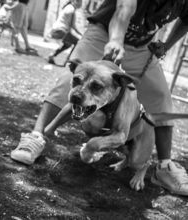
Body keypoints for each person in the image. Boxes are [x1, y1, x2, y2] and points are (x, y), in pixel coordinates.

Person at [11, 0, 188, 196]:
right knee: (71, 82)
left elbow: (186, 19)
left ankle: (164, 167)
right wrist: (116, 39)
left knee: (161, 96)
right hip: (105, 33)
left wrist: (166, 45)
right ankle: (36, 137)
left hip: (142, 45)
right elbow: (124, 8)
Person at [47, 0, 87, 65]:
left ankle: (52, 55)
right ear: (75, 1)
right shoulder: (72, 10)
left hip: (55, 29)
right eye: (80, 2)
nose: (81, 4)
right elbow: (73, 26)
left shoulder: (67, 7)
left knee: (67, 44)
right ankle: (68, 61)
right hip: (61, 30)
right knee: (77, 42)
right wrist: (82, 34)